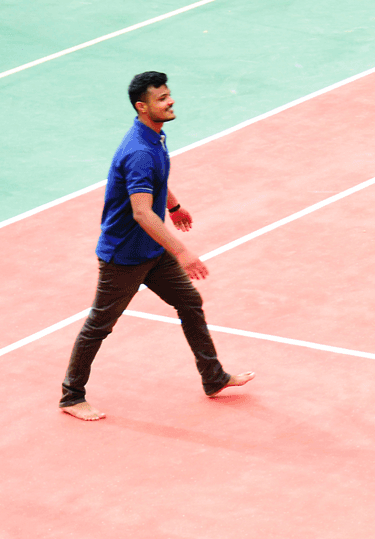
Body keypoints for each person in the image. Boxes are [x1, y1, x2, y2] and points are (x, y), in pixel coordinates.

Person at [59, 72, 252, 420]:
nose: (170, 101)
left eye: (168, 94)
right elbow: (141, 212)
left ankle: (213, 377)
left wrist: (174, 206)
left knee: (189, 302)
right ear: (142, 107)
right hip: (123, 257)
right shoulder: (139, 151)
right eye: (161, 98)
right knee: (99, 325)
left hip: (151, 250)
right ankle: (72, 397)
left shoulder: (154, 137)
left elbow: (156, 181)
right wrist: (182, 251)